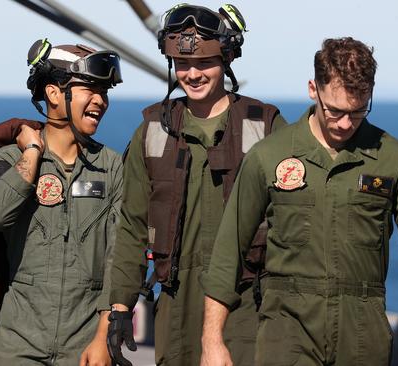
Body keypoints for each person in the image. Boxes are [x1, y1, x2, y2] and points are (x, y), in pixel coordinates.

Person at [200, 37, 398, 366]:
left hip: (362, 331)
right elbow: (228, 250)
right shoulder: (269, 156)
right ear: (313, 89)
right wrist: (212, 340)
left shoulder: (396, 160)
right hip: (287, 331)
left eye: (358, 112)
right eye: (335, 111)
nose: (344, 124)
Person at [106, 4, 287, 366]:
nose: (192, 73)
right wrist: (120, 305)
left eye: (204, 63)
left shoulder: (266, 127)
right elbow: (132, 226)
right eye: (183, 64)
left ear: (227, 58)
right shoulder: (152, 131)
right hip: (177, 306)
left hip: (247, 300)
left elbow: (296, 224)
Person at [0, 38, 124, 365]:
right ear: (54, 93)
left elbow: (120, 259)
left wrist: (104, 338)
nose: (100, 101)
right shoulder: (9, 159)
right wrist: (32, 152)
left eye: (105, 92)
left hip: (85, 347)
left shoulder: (112, 167)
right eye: (90, 90)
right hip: (18, 345)